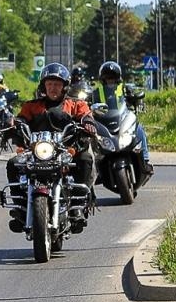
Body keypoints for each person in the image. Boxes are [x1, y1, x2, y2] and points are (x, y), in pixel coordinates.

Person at [9, 62, 98, 224]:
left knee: (85, 158)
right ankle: (20, 206)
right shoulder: (32, 106)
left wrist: (88, 122)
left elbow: (86, 115)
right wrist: (14, 124)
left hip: (66, 151)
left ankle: (77, 205)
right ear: (43, 86)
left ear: (65, 86)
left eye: (57, 84)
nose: (53, 88)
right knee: (13, 163)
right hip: (38, 152)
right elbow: (21, 119)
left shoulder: (75, 104)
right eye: (49, 84)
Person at [96, 59, 151, 163]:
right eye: (108, 78)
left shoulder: (126, 89)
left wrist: (135, 99)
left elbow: (135, 97)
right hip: (104, 121)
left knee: (139, 128)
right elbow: (89, 102)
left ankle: (145, 156)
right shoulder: (97, 92)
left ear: (118, 78)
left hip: (123, 118)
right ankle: (97, 161)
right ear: (103, 79)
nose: (110, 81)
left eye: (112, 78)